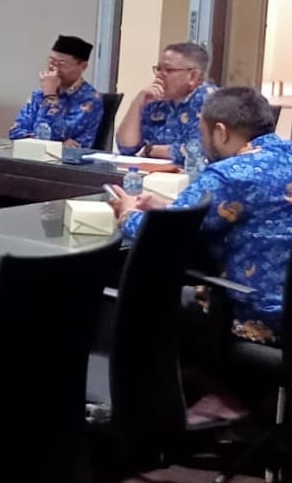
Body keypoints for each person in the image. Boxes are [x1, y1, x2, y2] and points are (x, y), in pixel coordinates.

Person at [111, 87, 292, 346]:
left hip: (255, 318)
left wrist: (128, 212)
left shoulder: (230, 174)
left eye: (203, 134)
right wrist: (169, 207)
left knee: (144, 297)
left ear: (221, 131)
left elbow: (161, 236)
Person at [117, 41, 217, 163]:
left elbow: (199, 150)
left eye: (168, 70)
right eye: (158, 69)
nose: (159, 75)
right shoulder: (156, 98)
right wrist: (137, 104)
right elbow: (126, 148)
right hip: (153, 170)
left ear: (193, 76)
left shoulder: (210, 101)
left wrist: (151, 150)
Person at [9, 34, 104, 147]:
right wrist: (52, 143)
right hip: (32, 154)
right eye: (51, 61)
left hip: (68, 158)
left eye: (61, 63)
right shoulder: (39, 94)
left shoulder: (90, 99)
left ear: (83, 66)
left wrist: (50, 96)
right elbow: (15, 132)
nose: (53, 68)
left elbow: (55, 136)